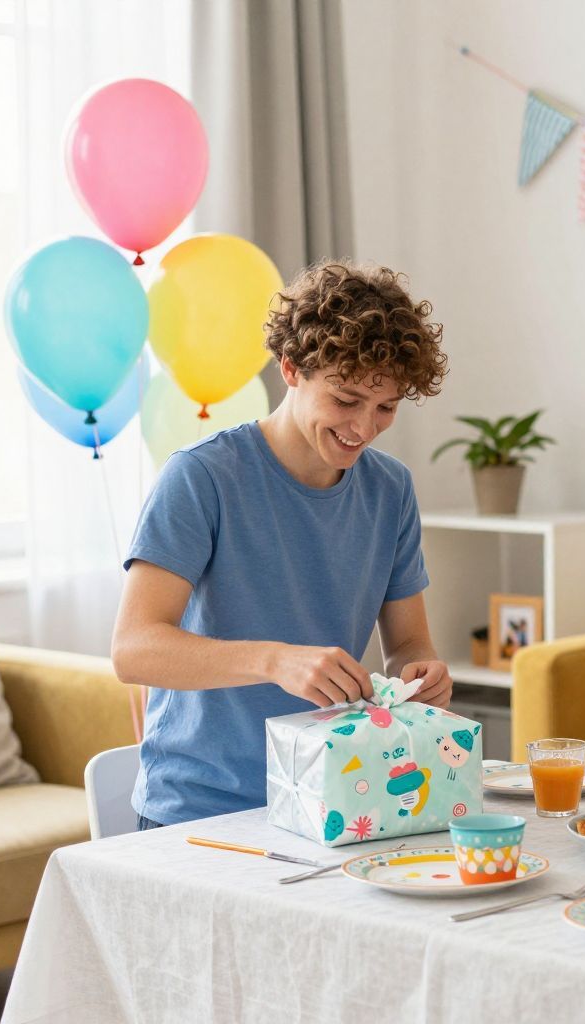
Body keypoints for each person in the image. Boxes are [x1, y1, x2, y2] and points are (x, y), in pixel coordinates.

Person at [112, 261, 452, 828]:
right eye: (346, 400)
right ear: (291, 369)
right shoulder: (203, 478)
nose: (364, 429)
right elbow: (133, 649)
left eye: (386, 407)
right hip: (200, 811)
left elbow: (409, 643)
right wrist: (275, 661)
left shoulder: (390, 490)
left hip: (335, 801)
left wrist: (423, 672)